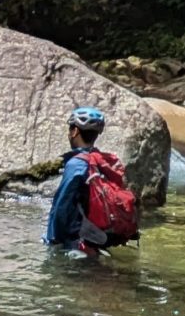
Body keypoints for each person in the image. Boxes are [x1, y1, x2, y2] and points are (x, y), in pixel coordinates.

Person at [46, 106, 140, 256]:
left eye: (70, 130)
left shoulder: (76, 164)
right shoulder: (102, 161)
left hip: (76, 243)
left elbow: (61, 207)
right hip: (98, 238)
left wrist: (52, 240)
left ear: (75, 131)